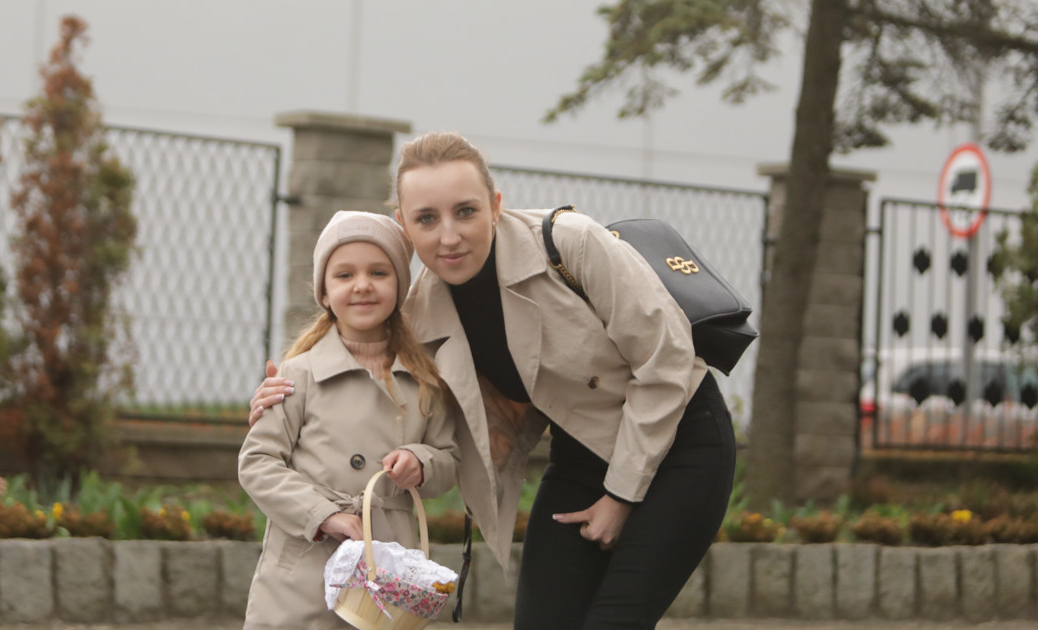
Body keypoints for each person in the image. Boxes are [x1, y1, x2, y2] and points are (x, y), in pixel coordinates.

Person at [249, 132, 736, 630]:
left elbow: (667, 360)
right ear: (404, 226)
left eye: (466, 211)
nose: (449, 236)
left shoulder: (570, 242)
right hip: (583, 455)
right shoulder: (419, 312)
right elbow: (368, 378)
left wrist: (621, 496)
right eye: (426, 219)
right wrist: (283, 390)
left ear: (496, 205)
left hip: (681, 442)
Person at [238, 211, 458, 630]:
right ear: (324, 290)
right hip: (304, 568)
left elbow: (449, 460)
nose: (362, 286)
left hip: (384, 571)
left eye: (379, 272)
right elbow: (258, 463)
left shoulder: (424, 379)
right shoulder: (298, 373)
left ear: (400, 286)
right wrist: (323, 515)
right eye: (344, 275)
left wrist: (420, 460)